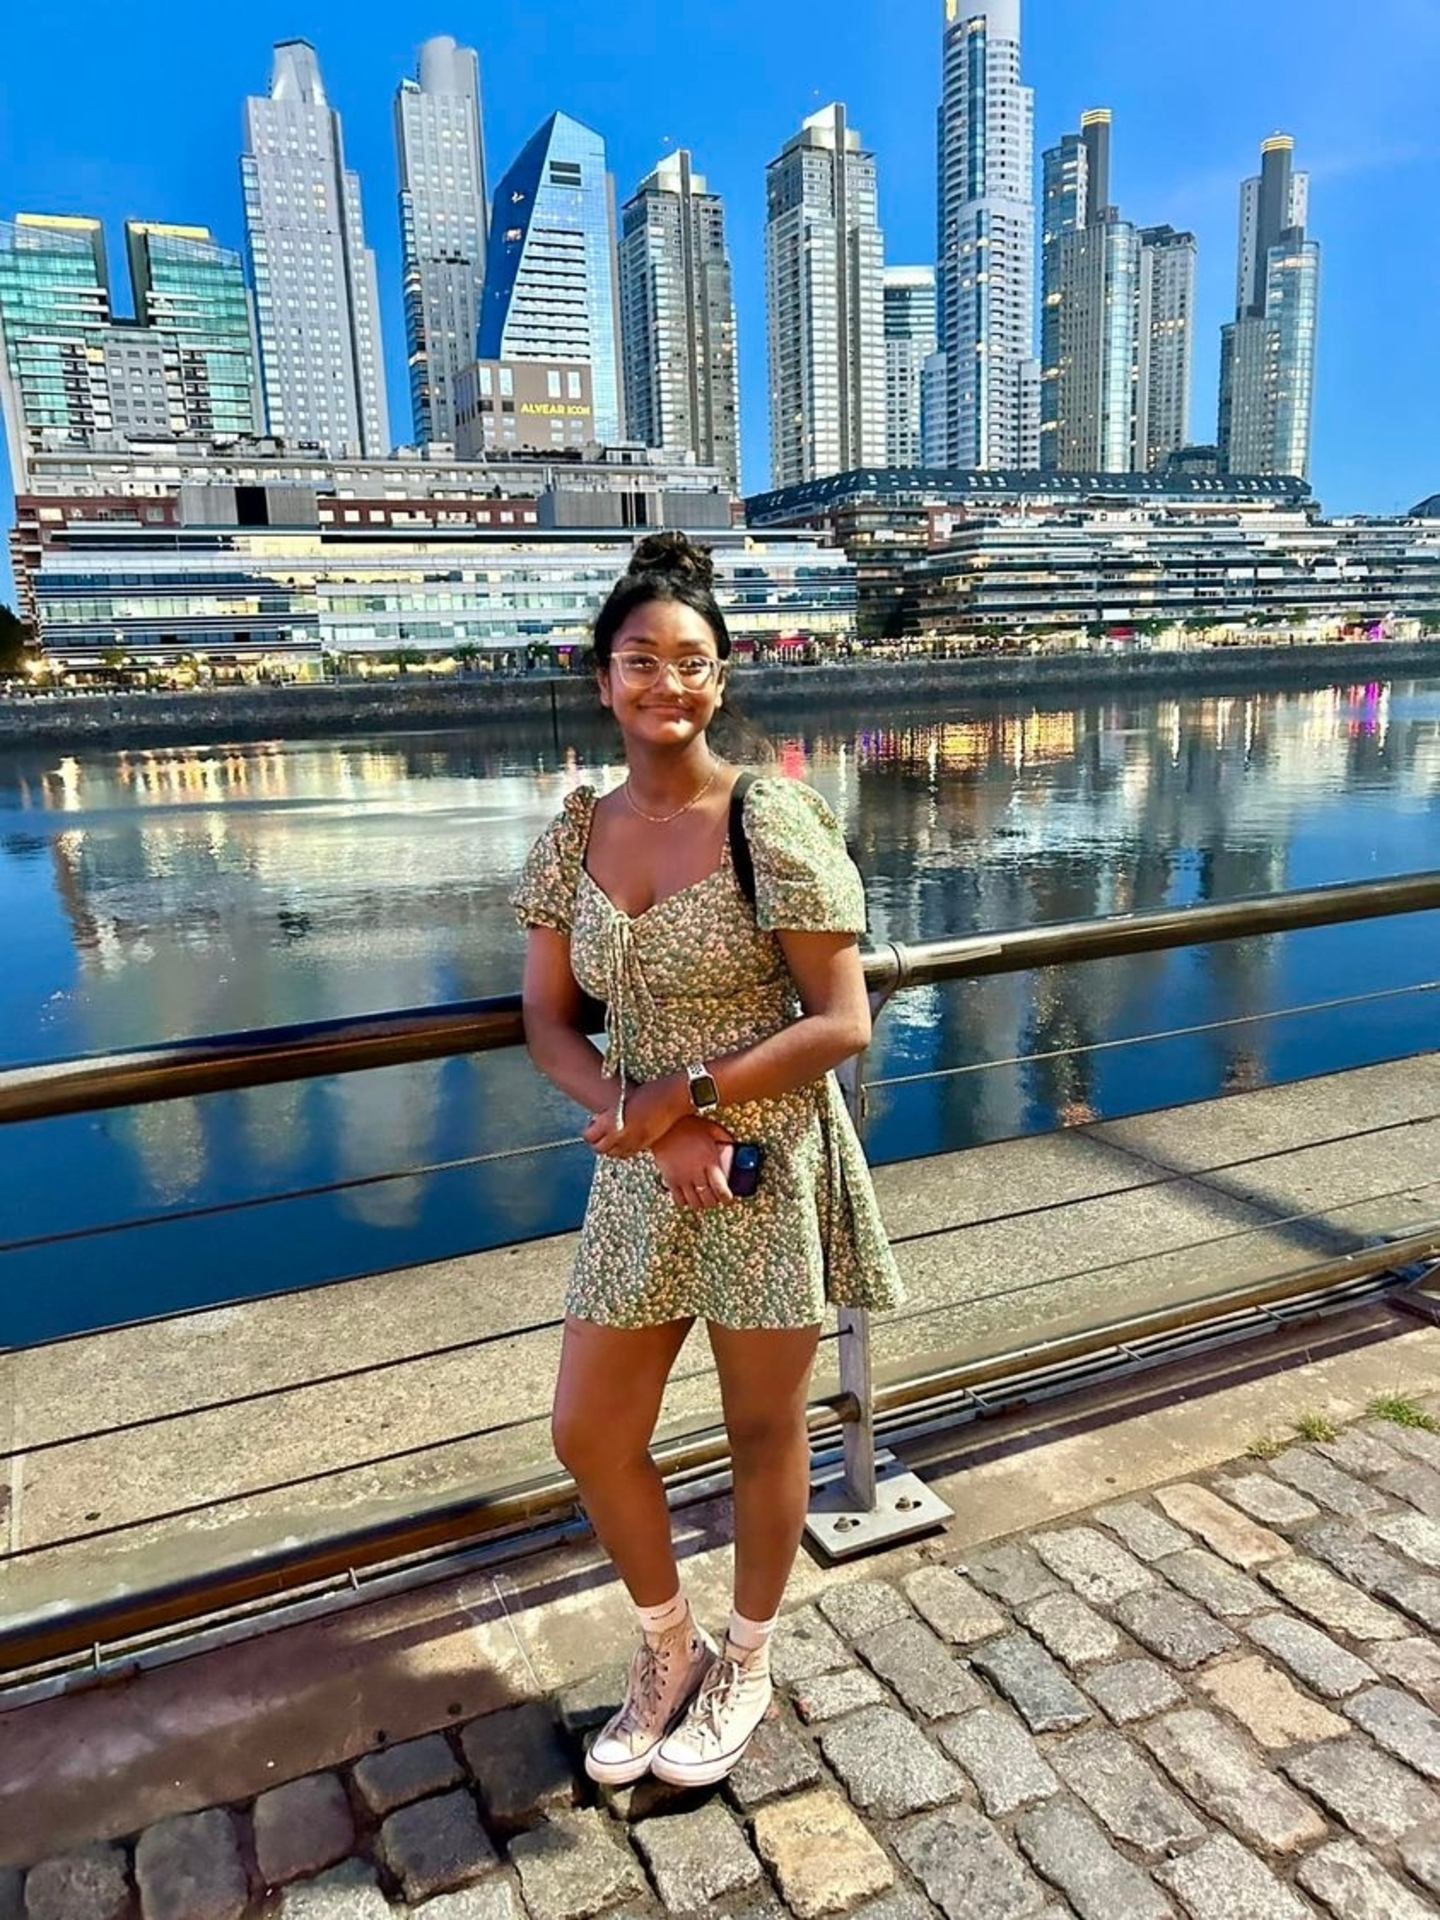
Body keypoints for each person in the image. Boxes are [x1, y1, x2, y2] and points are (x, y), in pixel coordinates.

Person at [511, 531, 903, 1789]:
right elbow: (546, 1022)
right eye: (640, 661)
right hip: (642, 1164)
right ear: (603, 680)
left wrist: (691, 1100)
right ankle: (665, 1643)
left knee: (761, 1424)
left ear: (720, 679)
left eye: (690, 662)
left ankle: (746, 1656)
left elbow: (841, 1020)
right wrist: (646, 1121)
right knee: (589, 1430)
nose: (665, 683)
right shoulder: (575, 833)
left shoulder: (764, 818)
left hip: (763, 1159)